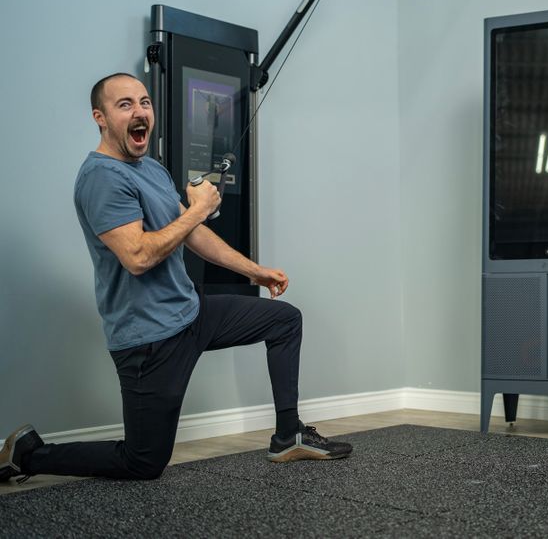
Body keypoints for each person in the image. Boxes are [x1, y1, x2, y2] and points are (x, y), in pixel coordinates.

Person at [1, 73, 351, 484]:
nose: (140, 112)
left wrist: (255, 271)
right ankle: (28, 455)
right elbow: (137, 257)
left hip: (191, 311)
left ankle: (288, 435)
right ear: (100, 117)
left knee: (284, 320)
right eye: (125, 104)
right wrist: (198, 208)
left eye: (145, 102)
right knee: (143, 462)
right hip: (149, 338)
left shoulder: (150, 168)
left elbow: (190, 233)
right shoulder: (101, 178)